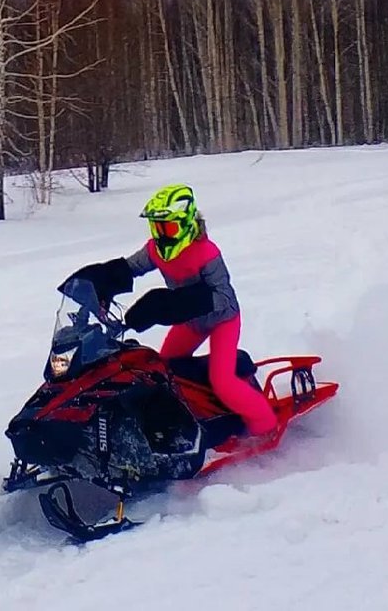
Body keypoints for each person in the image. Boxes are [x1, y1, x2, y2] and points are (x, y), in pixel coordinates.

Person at [80, 183, 278, 438]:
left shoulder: (206, 252)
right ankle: (192, 419)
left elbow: (224, 299)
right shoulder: (155, 249)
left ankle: (266, 426)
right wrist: (98, 283)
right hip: (192, 321)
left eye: (168, 227)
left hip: (223, 321)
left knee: (223, 382)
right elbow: (130, 267)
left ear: (185, 223)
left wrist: (167, 305)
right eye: (157, 227)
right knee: (164, 372)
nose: (162, 234)